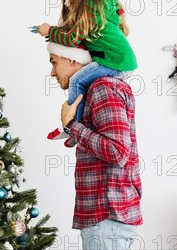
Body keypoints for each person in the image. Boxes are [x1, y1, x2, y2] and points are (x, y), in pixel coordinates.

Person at [46, 41, 143, 250]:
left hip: (106, 217)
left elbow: (118, 152)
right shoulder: (100, 88)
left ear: (72, 59)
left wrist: (71, 125)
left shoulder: (103, 88)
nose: (52, 73)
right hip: (106, 217)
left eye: (54, 62)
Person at [30, 0, 137, 147]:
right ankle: (77, 128)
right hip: (123, 62)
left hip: (114, 62)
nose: (65, 3)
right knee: (84, 85)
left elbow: (72, 39)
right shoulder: (103, 8)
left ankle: (72, 127)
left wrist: (49, 31)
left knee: (76, 82)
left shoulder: (90, 9)